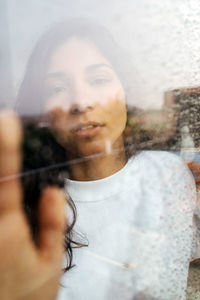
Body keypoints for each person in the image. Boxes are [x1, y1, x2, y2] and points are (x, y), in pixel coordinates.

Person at [0, 18, 197, 299]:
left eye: (99, 80)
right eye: (57, 88)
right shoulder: (23, 207)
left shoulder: (169, 174)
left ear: (125, 91)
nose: (80, 101)